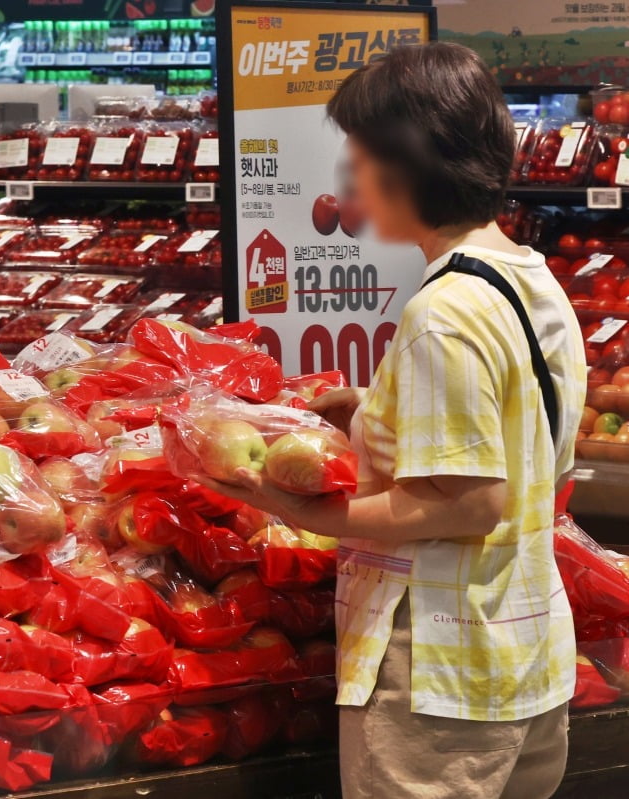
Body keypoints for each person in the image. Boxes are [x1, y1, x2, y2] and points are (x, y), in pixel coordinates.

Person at [208, 42, 586, 798]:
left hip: (439, 683)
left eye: (355, 158)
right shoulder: (528, 278)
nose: (347, 180)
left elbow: (470, 500)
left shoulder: (440, 311)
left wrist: (296, 507)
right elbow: (526, 441)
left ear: (399, 167)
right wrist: (375, 413)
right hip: (526, 655)